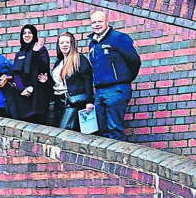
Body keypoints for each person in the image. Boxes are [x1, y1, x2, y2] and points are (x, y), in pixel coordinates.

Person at [88, 9, 141, 141]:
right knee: (102, 129)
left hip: (116, 89)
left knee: (114, 128)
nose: (97, 24)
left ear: (107, 21)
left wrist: (124, 79)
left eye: (100, 21)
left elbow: (134, 61)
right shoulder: (92, 43)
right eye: (94, 22)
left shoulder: (118, 38)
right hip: (99, 91)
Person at [50, 32, 94, 131]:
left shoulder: (79, 59)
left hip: (73, 102)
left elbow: (88, 80)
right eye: (61, 43)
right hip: (59, 103)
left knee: (64, 131)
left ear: (72, 44)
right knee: (62, 131)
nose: (64, 45)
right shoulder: (59, 62)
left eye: (67, 42)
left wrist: (89, 102)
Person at [9, 25, 51, 124]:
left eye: (29, 33)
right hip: (24, 97)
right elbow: (16, 74)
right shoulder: (19, 54)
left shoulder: (41, 49)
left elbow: (44, 68)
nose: (27, 35)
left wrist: (35, 53)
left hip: (38, 96)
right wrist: (22, 88)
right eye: (24, 33)